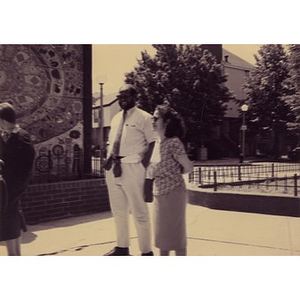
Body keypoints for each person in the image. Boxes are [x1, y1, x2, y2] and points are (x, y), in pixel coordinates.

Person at [103, 84, 155, 256]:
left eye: (125, 96)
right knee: (118, 211)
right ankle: (122, 247)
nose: (122, 100)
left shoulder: (145, 118)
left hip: (133, 167)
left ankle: (146, 252)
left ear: (135, 97)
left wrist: (143, 166)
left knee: (139, 211)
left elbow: (153, 143)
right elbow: (112, 141)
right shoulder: (116, 118)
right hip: (113, 168)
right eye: (120, 97)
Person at [149, 103, 193, 256]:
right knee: (162, 238)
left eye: (156, 118)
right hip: (159, 193)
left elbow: (188, 167)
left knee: (176, 236)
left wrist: (173, 172)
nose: (153, 121)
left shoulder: (173, 142)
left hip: (174, 193)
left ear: (166, 122)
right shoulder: (157, 143)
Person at [0, 102, 35, 255]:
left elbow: (27, 165)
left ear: (3, 119)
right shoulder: (3, 136)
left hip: (13, 186)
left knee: (8, 217)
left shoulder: (22, 136)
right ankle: (14, 254)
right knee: (11, 216)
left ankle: (13, 254)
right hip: (5, 185)